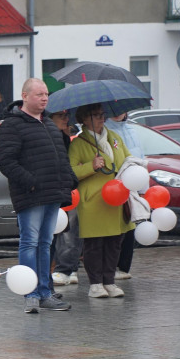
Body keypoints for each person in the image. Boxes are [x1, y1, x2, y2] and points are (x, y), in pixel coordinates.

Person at [0, 79, 75, 314]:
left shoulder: (49, 123)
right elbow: (6, 161)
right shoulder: (12, 125)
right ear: (25, 96)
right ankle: (30, 293)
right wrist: (30, 181)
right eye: (39, 94)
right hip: (30, 195)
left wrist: (70, 179)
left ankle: (44, 292)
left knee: (44, 243)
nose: (44, 98)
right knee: (30, 243)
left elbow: (61, 156)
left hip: (53, 193)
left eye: (46, 94)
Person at [69, 103, 132, 299]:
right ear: (84, 119)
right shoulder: (78, 143)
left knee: (114, 242)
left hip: (116, 198)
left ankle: (109, 281)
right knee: (94, 244)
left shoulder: (114, 138)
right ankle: (95, 283)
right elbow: (71, 172)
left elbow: (127, 159)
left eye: (102, 115)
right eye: (96, 116)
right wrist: (91, 165)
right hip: (94, 201)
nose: (102, 119)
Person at [105, 111, 144, 281]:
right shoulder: (105, 130)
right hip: (114, 185)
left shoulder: (132, 130)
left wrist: (143, 186)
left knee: (130, 225)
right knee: (114, 227)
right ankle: (111, 265)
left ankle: (124, 265)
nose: (117, 113)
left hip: (133, 185)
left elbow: (140, 157)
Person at [50, 109, 81, 287]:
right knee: (54, 234)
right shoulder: (49, 136)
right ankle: (58, 269)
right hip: (52, 191)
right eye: (60, 115)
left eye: (66, 115)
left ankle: (69, 268)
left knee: (70, 232)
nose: (66, 118)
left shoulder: (66, 137)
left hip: (67, 192)